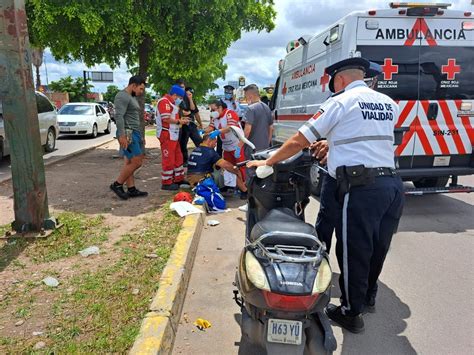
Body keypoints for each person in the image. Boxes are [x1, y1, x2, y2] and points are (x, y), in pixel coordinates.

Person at [247, 57, 404, 334]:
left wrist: (268, 163)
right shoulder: (387, 103)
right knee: (379, 244)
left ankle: (350, 312)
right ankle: (367, 296)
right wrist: (332, 144)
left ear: (340, 80)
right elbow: (364, 135)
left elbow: (298, 140)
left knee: (354, 248)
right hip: (391, 184)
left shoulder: (340, 101)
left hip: (360, 187)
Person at [110, 75, 148, 200]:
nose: (141, 92)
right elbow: (119, 116)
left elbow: (133, 117)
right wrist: (122, 135)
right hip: (127, 133)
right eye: (140, 89)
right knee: (137, 161)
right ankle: (117, 184)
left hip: (134, 133)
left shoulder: (131, 97)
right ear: (133, 85)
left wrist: (140, 135)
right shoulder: (122, 96)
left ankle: (131, 189)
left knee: (129, 161)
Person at [205, 99, 247, 199]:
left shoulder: (230, 113)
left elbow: (230, 127)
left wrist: (218, 132)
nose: (212, 111)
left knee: (241, 167)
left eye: (213, 109)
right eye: (210, 109)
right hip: (226, 147)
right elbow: (210, 127)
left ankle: (244, 189)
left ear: (220, 107)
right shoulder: (214, 117)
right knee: (228, 168)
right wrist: (203, 131)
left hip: (237, 145)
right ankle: (231, 185)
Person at [156, 84, 189, 190]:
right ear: (175, 95)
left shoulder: (172, 103)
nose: (180, 100)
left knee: (178, 157)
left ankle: (178, 178)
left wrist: (181, 121)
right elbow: (165, 119)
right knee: (168, 159)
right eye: (180, 97)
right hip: (166, 134)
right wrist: (179, 121)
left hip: (173, 134)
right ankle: (166, 182)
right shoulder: (164, 101)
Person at [242, 84, 273, 159]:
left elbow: (247, 131)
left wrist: (239, 146)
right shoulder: (267, 108)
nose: (246, 98)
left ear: (250, 96)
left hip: (252, 149)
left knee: (251, 169)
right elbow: (271, 128)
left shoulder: (250, 109)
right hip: (264, 149)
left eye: (246, 96)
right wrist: (267, 144)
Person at [179, 87, 203, 165]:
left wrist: (200, 123)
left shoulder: (191, 100)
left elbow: (194, 111)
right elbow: (182, 111)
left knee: (198, 141)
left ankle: (202, 156)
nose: (188, 95)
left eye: (190, 93)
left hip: (192, 124)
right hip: (183, 125)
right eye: (187, 93)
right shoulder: (180, 100)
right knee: (183, 143)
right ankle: (184, 160)